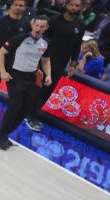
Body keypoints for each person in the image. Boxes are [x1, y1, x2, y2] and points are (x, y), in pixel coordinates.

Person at [23, 0, 85, 132]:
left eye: (77, 5)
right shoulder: (53, 21)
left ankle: (31, 114)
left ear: (80, 8)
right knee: (38, 89)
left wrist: (73, 63)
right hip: (46, 61)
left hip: (61, 63)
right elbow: (40, 38)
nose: (74, 7)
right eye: (72, 4)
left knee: (47, 91)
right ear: (66, 5)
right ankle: (29, 116)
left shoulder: (80, 24)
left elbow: (77, 45)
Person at [0, 16, 52, 149]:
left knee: (25, 109)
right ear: (32, 25)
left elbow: (46, 60)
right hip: (15, 76)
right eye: (37, 25)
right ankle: (1, 134)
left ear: (46, 28)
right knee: (15, 106)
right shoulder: (20, 38)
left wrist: (48, 75)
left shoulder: (45, 42)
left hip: (31, 78)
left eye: (42, 26)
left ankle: (4, 133)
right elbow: (0, 53)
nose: (39, 28)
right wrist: (3, 72)